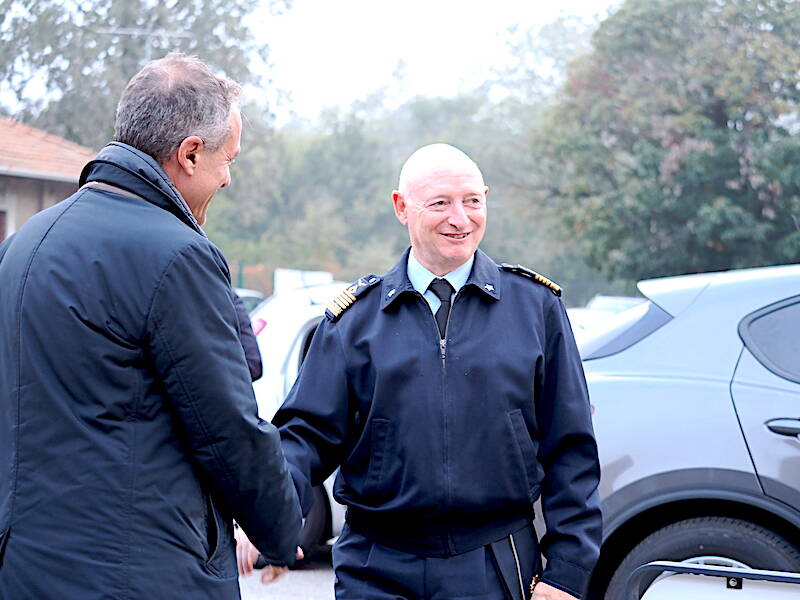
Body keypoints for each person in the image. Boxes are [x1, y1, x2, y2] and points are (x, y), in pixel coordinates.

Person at [237, 143, 602, 599]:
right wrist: (265, 514)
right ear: (401, 208)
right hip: (378, 567)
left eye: (472, 200)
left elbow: (571, 448)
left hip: (494, 562)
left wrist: (566, 572)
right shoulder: (354, 321)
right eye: (440, 203)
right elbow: (305, 436)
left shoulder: (536, 309)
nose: (460, 218)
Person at [0, 54, 301, 599]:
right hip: (133, 571)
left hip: (24, 566)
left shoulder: (22, 244)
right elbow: (226, 428)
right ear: (189, 153)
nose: (228, 177)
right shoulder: (175, 254)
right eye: (227, 160)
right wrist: (281, 531)